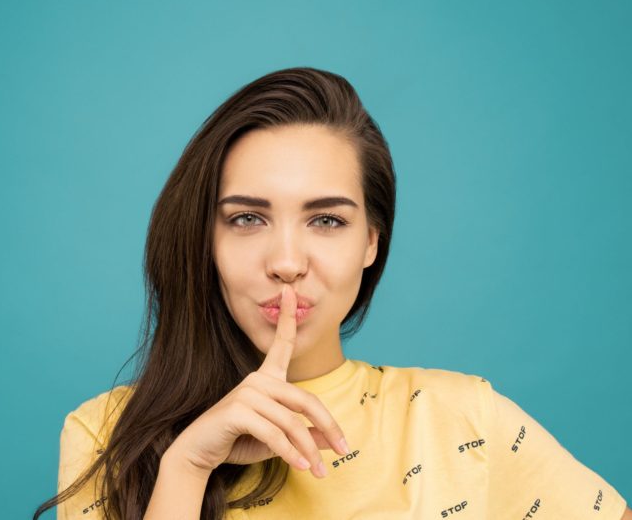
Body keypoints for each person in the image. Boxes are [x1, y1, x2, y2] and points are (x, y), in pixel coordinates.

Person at [33, 67, 630, 520]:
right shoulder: (107, 434)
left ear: (372, 241)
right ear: (202, 239)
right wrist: (187, 466)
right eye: (246, 219)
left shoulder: (463, 417)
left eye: (326, 220)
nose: (287, 263)